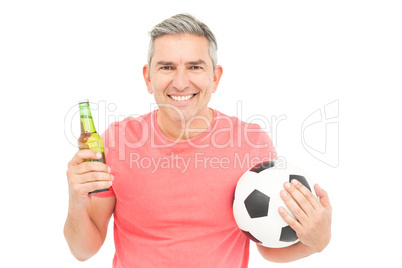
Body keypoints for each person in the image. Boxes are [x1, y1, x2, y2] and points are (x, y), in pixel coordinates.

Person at [64, 13, 332, 267]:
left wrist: (316, 241)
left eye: (195, 67)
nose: (181, 82)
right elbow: (83, 250)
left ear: (214, 78)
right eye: (167, 67)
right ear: (148, 78)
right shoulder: (116, 143)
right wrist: (76, 203)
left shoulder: (251, 143)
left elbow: (268, 246)